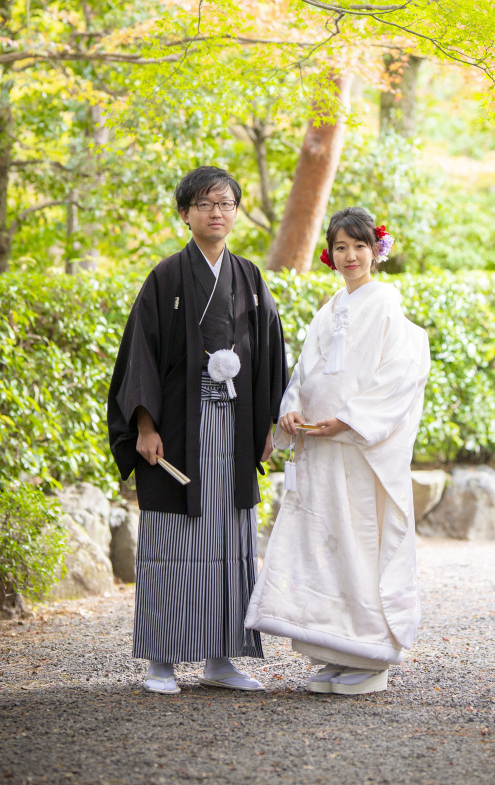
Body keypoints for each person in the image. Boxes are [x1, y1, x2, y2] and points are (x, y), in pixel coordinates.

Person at [107, 166, 288, 694]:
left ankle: (221, 658)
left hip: (233, 427)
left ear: (235, 213)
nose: (217, 213)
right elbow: (140, 355)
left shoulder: (249, 277)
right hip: (177, 431)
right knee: (172, 541)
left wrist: (267, 426)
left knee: (229, 539)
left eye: (226, 204)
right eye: (205, 204)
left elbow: (270, 355)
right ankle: (161, 660)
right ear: (185, 214)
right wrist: (144, 425)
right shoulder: (165, 277)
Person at [245, 206, 431, 696]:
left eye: (360, 246)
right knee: (322, 546)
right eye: (341, 247)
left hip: (356, 449)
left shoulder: (386, 304)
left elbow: (400, 374)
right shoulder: (328, 310)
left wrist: (348, 420)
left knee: (357, 544)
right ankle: (334, 650)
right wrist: (291, 410)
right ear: (330, 254)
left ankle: (370, 657)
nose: (350, 256)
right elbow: (305, 372)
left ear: (376, 250)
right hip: (320, 447)